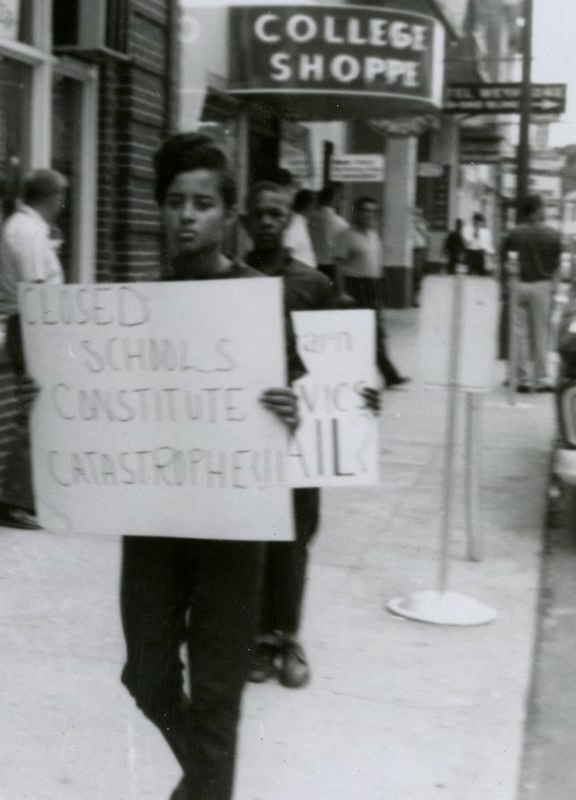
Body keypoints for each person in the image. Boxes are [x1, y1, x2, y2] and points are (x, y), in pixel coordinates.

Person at [118, 134, 302, 800]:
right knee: (146, 672)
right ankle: (203, 785)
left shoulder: (259, 297)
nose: (186, 215)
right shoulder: (134, 308)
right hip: (156, 521)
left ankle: (204, 789)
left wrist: (290, 410)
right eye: (174, 202)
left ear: (228, 215)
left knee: (218, 693)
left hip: (232, 525)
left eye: (202, 203)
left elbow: (300, 402)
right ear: (160, 211)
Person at [240, 182, 338, 691]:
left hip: (300, 431)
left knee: (296, 536)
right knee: (254, 537)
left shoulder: (315, 285)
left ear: (288, 221)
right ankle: (259, 635)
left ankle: (289, 635)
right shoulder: (227, 281)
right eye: (258, 214)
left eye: (276, 213)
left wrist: (357, 397)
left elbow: (343, 359)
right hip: (246, 428)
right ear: (244, 221)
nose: (267, 221)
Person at [0, 169, 68, 530]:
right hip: (31, 325)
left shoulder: (23, 227)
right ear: (50, 196)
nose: (63, 205)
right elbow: (37, 292)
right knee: (33, 409)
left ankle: (28, 494)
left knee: (37, 407)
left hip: (25, 324)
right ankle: (12, 501)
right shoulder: (29, 231)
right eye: (61, 197)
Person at [334, 196, 409, 389]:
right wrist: (341, 292)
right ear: (356, 212)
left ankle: (389, 375)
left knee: (377, 333)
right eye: (366, 210)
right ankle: (380, 375)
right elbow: (339, 266)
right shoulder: (347, 235)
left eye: (374, 211)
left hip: (372, 287)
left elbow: (376, 264)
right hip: (354, 287)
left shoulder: (374, 235)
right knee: (357, 334)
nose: (370, 215)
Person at [501, 195, 561, 392]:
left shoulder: (513, 234)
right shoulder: (552, 234)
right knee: (541, 333)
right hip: (542, 286)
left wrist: (507, 284)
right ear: (536, 210)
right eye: (542, 208)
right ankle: (541, 378)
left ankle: (522, 378)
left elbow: (506, 262)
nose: (544, 211)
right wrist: (554, 286)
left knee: (518, 333)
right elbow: (556, 266)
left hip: (518, 284)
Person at [309, 184, 348, 290]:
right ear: (335, 199)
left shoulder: (310, 219)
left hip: (310, 266)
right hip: (331, 271)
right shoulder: (342, 224)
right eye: (341, 198)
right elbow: (340, 259)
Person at [464, 211, 494, 276]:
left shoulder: (486, 232)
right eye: (476, 221)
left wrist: (491, 255)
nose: (478, 223)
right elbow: (466, 243)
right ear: (473, 221)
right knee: (468, 274)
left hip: (481, 254)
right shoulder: (467, 229)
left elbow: (488, 245)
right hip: (470, 253)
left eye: (480, 221)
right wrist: (474, 233)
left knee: (482, 274)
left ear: (482, 222)